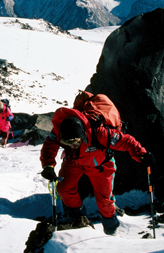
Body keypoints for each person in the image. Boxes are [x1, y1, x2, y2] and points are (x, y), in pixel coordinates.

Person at [40, 93, 154, 235]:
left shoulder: (100, 133)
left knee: (105, 202)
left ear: (82, 135)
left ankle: (111, 230)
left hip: (101, 165)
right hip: (74, 162)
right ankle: (79, 220)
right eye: (66, 144)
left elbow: (126, 141)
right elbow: (50, 145)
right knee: (64, 189)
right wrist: (48, 166)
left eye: (74, 143)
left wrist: (142, 155)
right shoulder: (62, 129)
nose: (71, 146)